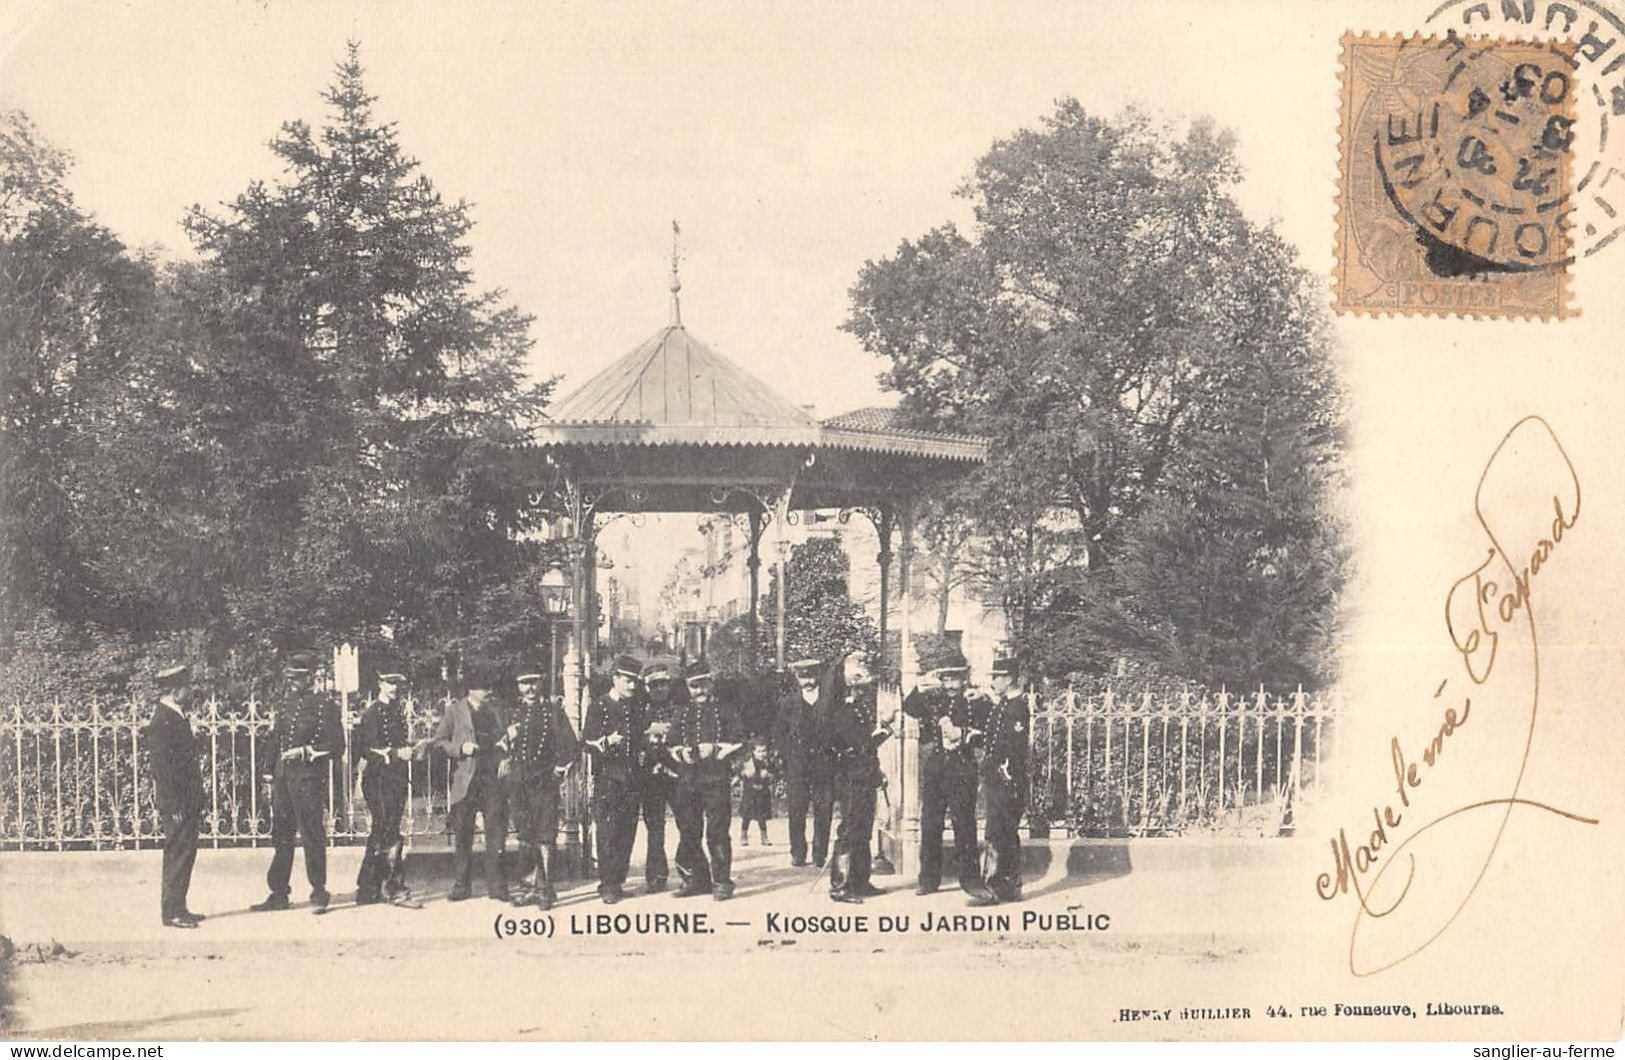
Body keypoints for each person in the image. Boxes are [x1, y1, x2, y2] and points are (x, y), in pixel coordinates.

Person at [252, 650, 344, 914]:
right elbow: (275, 739)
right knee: (281, 836)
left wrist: (306, 752)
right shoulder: (284, 704)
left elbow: (337, 746)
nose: (292, 682)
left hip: (308, 780)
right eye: (290, 677)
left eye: (297, 678)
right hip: (283, 781)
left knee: (312, 836)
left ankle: (318, 892)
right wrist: (268, 774)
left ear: (310, 677)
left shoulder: (325, 705)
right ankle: (278, 893)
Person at [902, 649, 994, 900]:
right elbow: (908, 707)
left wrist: (962, 733)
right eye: (946, 679)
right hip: (936, 770)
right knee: (930, 823)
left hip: (962, 768)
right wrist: (921, 686)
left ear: (964, 678)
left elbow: (988, 733)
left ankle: (971, 881)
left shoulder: (978, 701)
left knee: (964, 825)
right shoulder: (934, 699)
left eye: (955, 678)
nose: (950, 684)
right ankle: (929, 879)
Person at [505, 662, 577, 910]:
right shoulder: (512, 713)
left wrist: (558, 770)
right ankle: (527, 887)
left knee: (546, 836)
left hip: (544, 783)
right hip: (518, 783)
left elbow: (570, 745)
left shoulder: (553, 711)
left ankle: (545, 889)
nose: (530, 688)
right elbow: (497, 746)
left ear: (541, 683)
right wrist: (506, 739)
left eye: (534, 682)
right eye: (525, 683)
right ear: (518, 686)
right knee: (525, 835)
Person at [670, 662, 744, 900]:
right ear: (687, 687)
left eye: (703, 685)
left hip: (716, 779)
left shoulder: (726, 710)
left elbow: (739, 740)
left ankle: (722, 881)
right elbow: (671, 743)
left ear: (711, 683)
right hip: (688, 780)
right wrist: (683, 753)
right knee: (689, 831)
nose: (699, 691)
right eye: (694, 686)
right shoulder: (682, 712)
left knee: (717, 832)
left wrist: (715, 749)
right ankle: (697, 879)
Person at [435, 666, 509, 902]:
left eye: (489, 687)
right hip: (466, 779)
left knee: (496, 833)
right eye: (483, 687)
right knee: (463, 834)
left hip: (492, 779)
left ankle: (496, 885)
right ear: (471, 690)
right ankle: (461, 885)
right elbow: (439, 742)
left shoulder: (496, 709)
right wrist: (460, 748)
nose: (488, 691)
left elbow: (506, 738)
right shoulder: (454, 711)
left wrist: (506, 756)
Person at [825, 652, 894, 903]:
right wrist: (880, 733)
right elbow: (854, 744)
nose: (864, 691)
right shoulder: (841, 710)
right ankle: (840, 886)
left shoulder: (860, 708)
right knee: (850, 829)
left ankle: (860, 881)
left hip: (864, 774)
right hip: (850, 776)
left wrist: (876, 770)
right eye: (860, 686)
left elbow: (868, 747)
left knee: (864, 828)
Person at [353, 666, 425, 909]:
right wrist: (396, 753)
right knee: (388, 831)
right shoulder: (372, 713)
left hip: (394, 778)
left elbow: (396, 743)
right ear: (380, 683)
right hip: (378, 780)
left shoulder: (395, 711)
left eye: (398, 683)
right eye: (390, 682)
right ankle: (394, 888)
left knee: (383, 830)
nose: (395, 688)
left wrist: (411, 748)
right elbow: (367, 749)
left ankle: (367, 887)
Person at [146, 663, 206, 928]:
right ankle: (171, 912)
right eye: (187, 687)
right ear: (174, 690)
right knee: (177, 853)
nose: (190, 691)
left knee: (186, 852)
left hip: (186, 799)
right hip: (177, 802)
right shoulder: (163, 720)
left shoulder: (176, 715)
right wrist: (173, 804)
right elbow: (162, 768)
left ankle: (180, 907)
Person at [583, 655, 647, 904]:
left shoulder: (635, 707)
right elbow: (587, 741)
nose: (632, 686)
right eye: (628, 681)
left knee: (627, 831)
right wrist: (606, 742)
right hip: (608, 779)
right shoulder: (598, 707)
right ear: (615, 679)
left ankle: (618, 882)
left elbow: (640, 737)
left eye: (635, 682)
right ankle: (607, 884)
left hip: (631, 779)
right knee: (608, 832)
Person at [975, 654, 1030, 905]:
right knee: (997, 829)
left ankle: (1003, 885)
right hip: (995, 776)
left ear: (1008, 679)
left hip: (1007, 778)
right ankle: (998, 885)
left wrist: (1004, 772)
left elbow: (1014, 747)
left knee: (1004, 830)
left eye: (996, 678)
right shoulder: (1003, 705)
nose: (993, 682)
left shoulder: (1017, 707)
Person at [776, 658, 834, 868]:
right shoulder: (789, 703)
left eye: (811, 676)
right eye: (803, 677)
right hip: (797, 763)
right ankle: (798, 852)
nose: (807, 681)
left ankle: (820, 853)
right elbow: (780, 734)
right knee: (796, 808)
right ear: (797, 678)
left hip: (823, 762)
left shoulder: (829, 701)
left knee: (823, 808)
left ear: (818, 676)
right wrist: (786, 760)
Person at [637, 660, 680, 892]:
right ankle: (656, 876)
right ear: (647, 687)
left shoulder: (679, 709)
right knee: (655, 828)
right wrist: (648, 732)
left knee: (686, 823)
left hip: (676, 774)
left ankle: (689, 872)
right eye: (654, 685)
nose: (660, 689)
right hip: (651, 777)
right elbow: (634, 738)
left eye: (663, 684)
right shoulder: (639, 711)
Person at [737, 739, 775, 846]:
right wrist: (745, 773)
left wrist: (768, 775)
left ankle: (764, 836)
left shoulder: (768, 763)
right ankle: (743, 835)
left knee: (762, 816)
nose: (762, 754)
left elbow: (774, 775)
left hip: (762, 792)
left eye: (764, 751)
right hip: (750, 792)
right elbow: (740, 774)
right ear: (753, 752)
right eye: (759, 751)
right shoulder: (748, 763)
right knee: (747, 815)